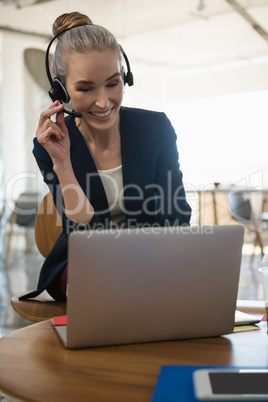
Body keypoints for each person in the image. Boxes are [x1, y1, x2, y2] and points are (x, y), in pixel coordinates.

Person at [21, 11, 191, 301]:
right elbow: (80, 231)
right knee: (96, 285)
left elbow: (176, 215)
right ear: (60, 90)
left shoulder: (155, 128)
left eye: (113, 83)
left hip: (152, 258)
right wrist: (63, 163)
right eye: (86, 88)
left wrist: (158, 263)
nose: (103, 102)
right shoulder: (50, 145)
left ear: (125, 77)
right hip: (82, 262)